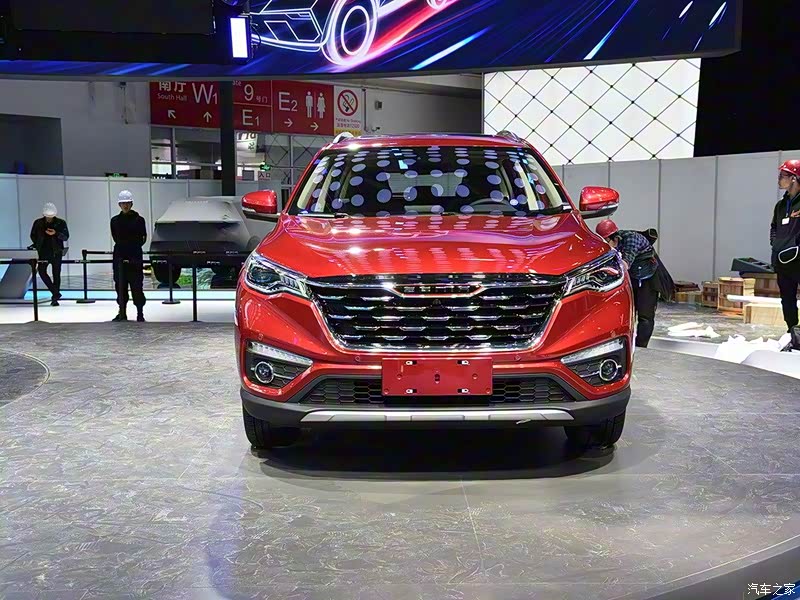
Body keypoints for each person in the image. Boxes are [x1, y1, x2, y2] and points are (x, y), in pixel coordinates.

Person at [596, 219, 660, 348]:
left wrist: (608, 269)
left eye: (606, 242)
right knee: (627, 313)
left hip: (648, 278)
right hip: (632, 278)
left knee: (645, 316)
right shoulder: (610, 244)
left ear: (614, 238)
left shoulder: (631, 239)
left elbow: (625, 264)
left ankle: (641, 347)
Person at [771, 160, 800, 334]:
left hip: (799, 259)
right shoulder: (780, 205)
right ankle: (792, 332)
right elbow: (774, 227)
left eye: (782, 176)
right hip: (782, 261)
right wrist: (775, 244)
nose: (779, 179)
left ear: (794, 178)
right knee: (787, 299)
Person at [111, 190, 147, 322]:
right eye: (123, 203)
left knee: (137, 286)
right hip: (120, 257)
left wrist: (132, 248)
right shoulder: (114, 221)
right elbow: (115, 237)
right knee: (120, 286)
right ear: (119, 205)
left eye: (127, 203)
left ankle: (140, 313)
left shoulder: (139, 220)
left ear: (131, 204)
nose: (125, 205)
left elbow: (143, 238)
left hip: (134, 257)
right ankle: (122, 312)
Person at [29, 203, 69, 306]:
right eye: (47, 216)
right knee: (42, 272)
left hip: (56, 252)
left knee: (56, 274)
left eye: (51, 217)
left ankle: (55, 298)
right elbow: (33, 235)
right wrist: (38, 243)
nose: (49, 218)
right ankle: (55, 293)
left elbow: (65, 237)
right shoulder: (38, 223)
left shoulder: (61, 223)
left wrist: (55, 233)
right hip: (43, 252)